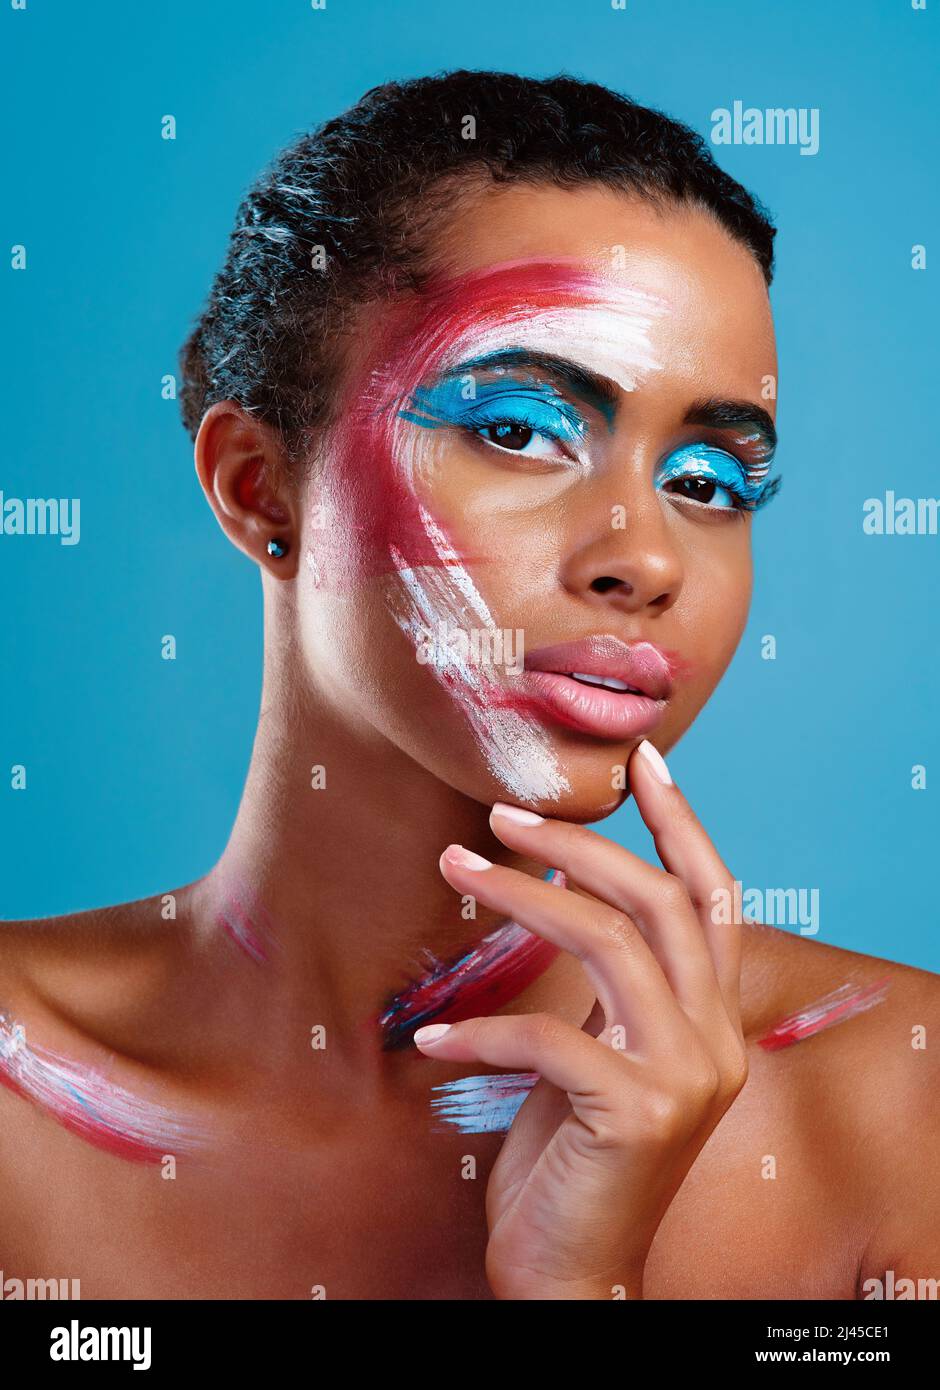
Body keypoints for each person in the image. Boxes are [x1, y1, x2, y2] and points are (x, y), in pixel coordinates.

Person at [1, 71, 937, 1300]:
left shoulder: (895, 1101)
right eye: (518, 428)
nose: (647, 558)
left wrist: (579, 1285)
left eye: (708, 478)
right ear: (258, 486)